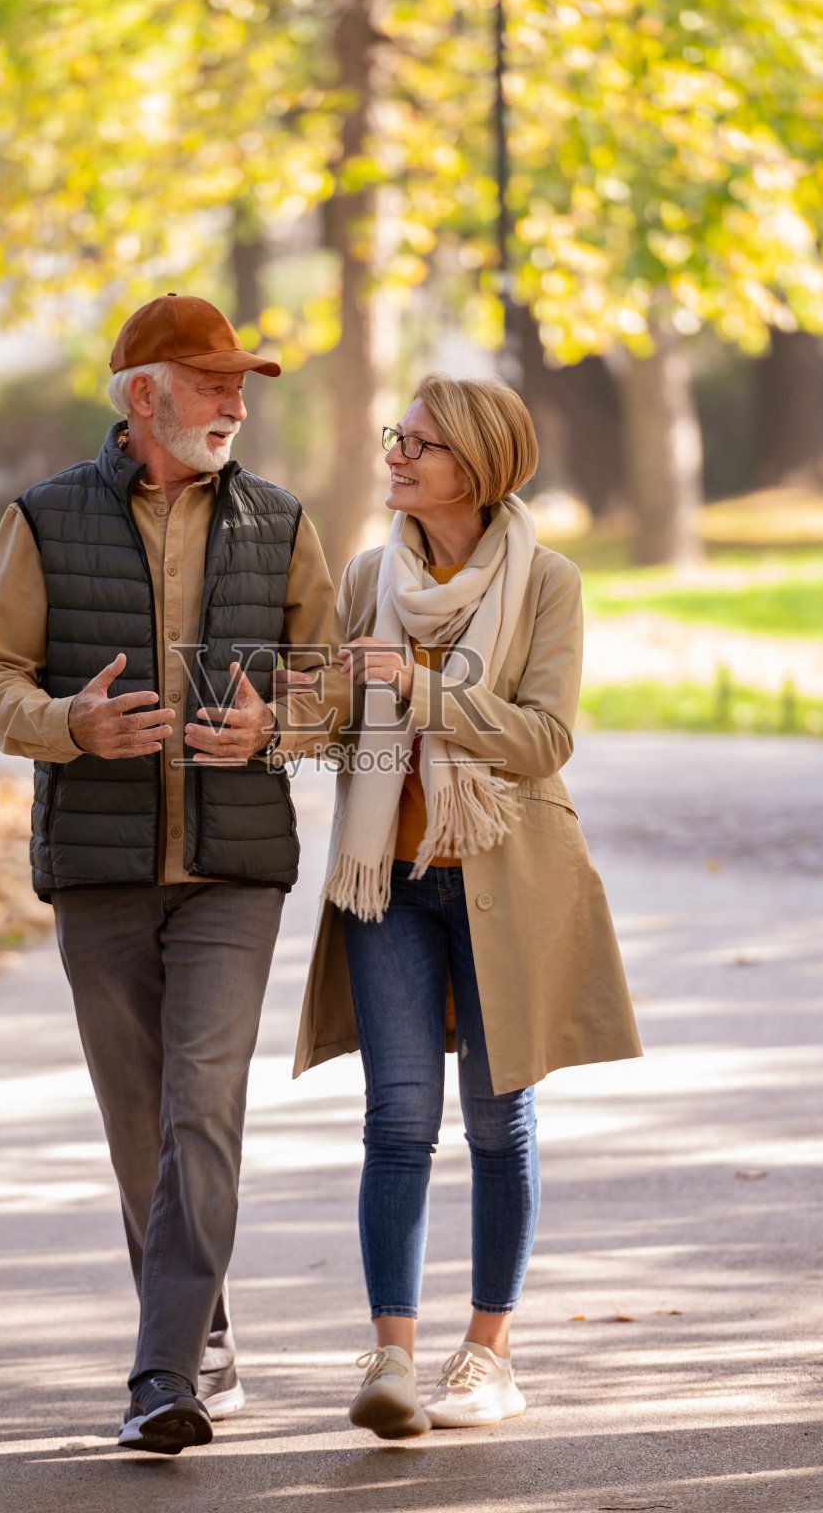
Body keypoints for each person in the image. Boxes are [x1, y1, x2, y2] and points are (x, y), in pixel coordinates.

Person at [0, 293, 348, 1455]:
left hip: (234, 869)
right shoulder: (43, 518)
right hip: (100, 868)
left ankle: (162, 1371)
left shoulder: (279, 520)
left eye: (244, 385)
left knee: (202, 1109)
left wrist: (272, 728)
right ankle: (203, 1325)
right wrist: (69, 722)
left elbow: (328, 681)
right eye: (215, 381)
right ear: (145, 397)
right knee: (142, 1125)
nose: (237, 403)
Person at [289, 373, 642, 1438]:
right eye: (398, 435)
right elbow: (332, 717)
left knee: (499, 1119)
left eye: (422, 443)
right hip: (385, 879)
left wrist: (423, 683)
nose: (396, 454)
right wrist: (283, 714)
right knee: (397, 1118)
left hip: (507, 876)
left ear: (480, 466)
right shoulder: (367, 574)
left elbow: (544, 738)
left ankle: (487, 1357)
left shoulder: (549, 585)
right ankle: (390, 1359)